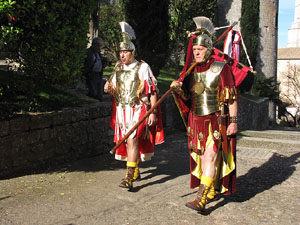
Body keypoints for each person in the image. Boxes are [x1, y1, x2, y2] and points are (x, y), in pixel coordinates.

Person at [170, 16, 238, 212]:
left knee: (210, 156)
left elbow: (231, 98)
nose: (196, 53)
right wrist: (178, 90)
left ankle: (200, 199)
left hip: (216, 120)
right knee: (202, 158)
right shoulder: (190, 72)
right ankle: (208, 188)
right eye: (194, 50)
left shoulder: (221, 68)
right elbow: (189, 98)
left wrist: (233, 122)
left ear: (208, 49)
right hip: (196, 119)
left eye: (199, 50)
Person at [104, 21, 165, 190]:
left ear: (132, 52)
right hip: (122, 111)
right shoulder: (117, 68)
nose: (122, 55)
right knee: (127, 142)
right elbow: (115, 90)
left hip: (139, 109)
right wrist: (108, 88)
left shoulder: (143, 67)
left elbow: (152, 91)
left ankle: (129, 176)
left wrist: (152, 113)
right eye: (121, 52)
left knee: (132, 139)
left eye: (126, 52)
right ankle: (135, 168)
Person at [84, 37, 105, 101]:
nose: (99, 48)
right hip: (91, 74)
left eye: (100, 46)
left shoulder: (98, 54)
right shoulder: (88, 53)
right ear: (93, 45)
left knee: (100, 94)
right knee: (93, 93)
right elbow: (86, 64)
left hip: (98, 75)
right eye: (98, 46)